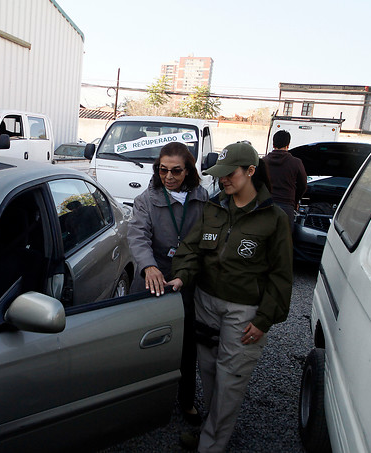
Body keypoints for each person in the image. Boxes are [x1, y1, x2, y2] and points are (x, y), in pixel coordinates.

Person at [168, 141, 293, 452]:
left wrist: (264, 319)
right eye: (219, 174)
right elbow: (190, 249)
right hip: (206, 305)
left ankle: (211, 445)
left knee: (230, 380)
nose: (222, 180)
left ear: (251, 171)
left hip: (244, 312)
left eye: (229, 174)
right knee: (209, 374)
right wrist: (182, 275)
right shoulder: (214, 208)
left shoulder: (273, 218)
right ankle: (214, 428)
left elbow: (281, 275)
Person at [127, 141, 208, 425]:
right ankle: (141, 401)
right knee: (145, 343)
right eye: (163, 171)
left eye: (176, 171)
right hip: (153, 279)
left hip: (186, 281)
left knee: (187, 345)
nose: (169, 177)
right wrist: (148, 266)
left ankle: (186, 400)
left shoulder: (202, 198)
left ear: (188, 171)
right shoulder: (146, 200)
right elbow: (138, 236)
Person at [263, 130, 307, 230]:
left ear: (273, 144)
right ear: (288, 144)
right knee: (283, 241)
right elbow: (303, 185)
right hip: (286, 207)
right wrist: (295, 201)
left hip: (266, 206)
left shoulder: (263, 161)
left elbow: (257, 184)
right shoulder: (296, 163)